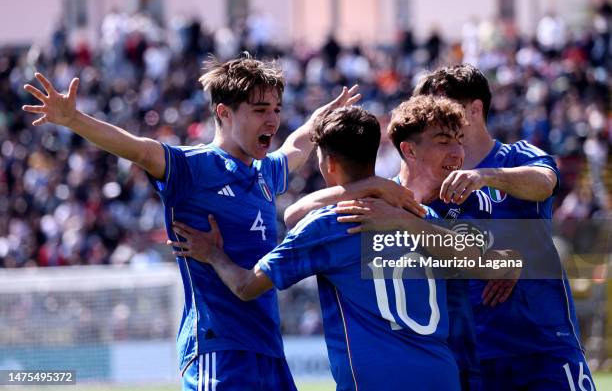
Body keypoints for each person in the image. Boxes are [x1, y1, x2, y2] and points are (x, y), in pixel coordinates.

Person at [21, 55, 418, 390]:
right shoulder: (193, 168)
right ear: (224, 113)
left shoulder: (264, 173)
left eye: (277, 110)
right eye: (261, 110)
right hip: (218, 348)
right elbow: (137, 149)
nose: (272, 120)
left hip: (268, 349)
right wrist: (74, 120)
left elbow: (297, 146)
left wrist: (316, 123)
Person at [169, 106, 462, 391]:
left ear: (328, 163)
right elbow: (489, 259)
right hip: (442, 375)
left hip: (377, 380)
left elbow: (246, 286)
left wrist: (212, 254)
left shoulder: (331, 225)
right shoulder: (420, 214)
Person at [410, 65, 595, 391]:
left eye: (445, 110)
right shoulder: (434, 187)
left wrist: (487, 176)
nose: (436, 118)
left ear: (475, 110)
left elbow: (545, 182)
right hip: (476, 355)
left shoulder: (516, 156)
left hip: (544, 344)